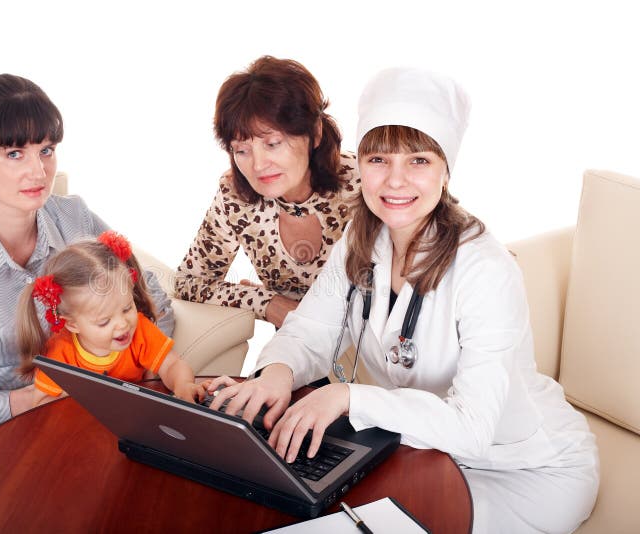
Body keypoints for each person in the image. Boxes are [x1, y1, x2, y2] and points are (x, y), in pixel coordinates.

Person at [206, 68, 599, 533]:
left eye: (417, 161)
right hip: (423, 450)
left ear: (445, 168)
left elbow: (472, 428)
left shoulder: (485, 270)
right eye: (378, 160)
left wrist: (348, 396)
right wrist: (276, 374)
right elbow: (313, 328)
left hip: (523, 469)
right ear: (360, 163)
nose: (394, 182)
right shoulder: (361, 234)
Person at [0, 74, 173, 519]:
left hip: (58, 421)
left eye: (47, 150)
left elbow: (149, 296)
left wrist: (125, 371)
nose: (38, 171)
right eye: (14, 153)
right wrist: (24, 402)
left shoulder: (74, 218)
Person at [174, 56, 360, 328]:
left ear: (315, 133)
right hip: (298, 351)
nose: (258, 165)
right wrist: (266, 302)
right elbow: (189, 282)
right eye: (242, 150)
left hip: (376, 351)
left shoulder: (364, 182)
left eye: (272, 143)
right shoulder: (235, 197)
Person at [16, 231, 203, 404]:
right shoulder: (60, 353)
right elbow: (40, 404)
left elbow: (172, 365)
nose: (123, 324)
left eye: (127, 308)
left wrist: (183, 385)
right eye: (104, 321)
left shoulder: (140, 331)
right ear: (72, 324)